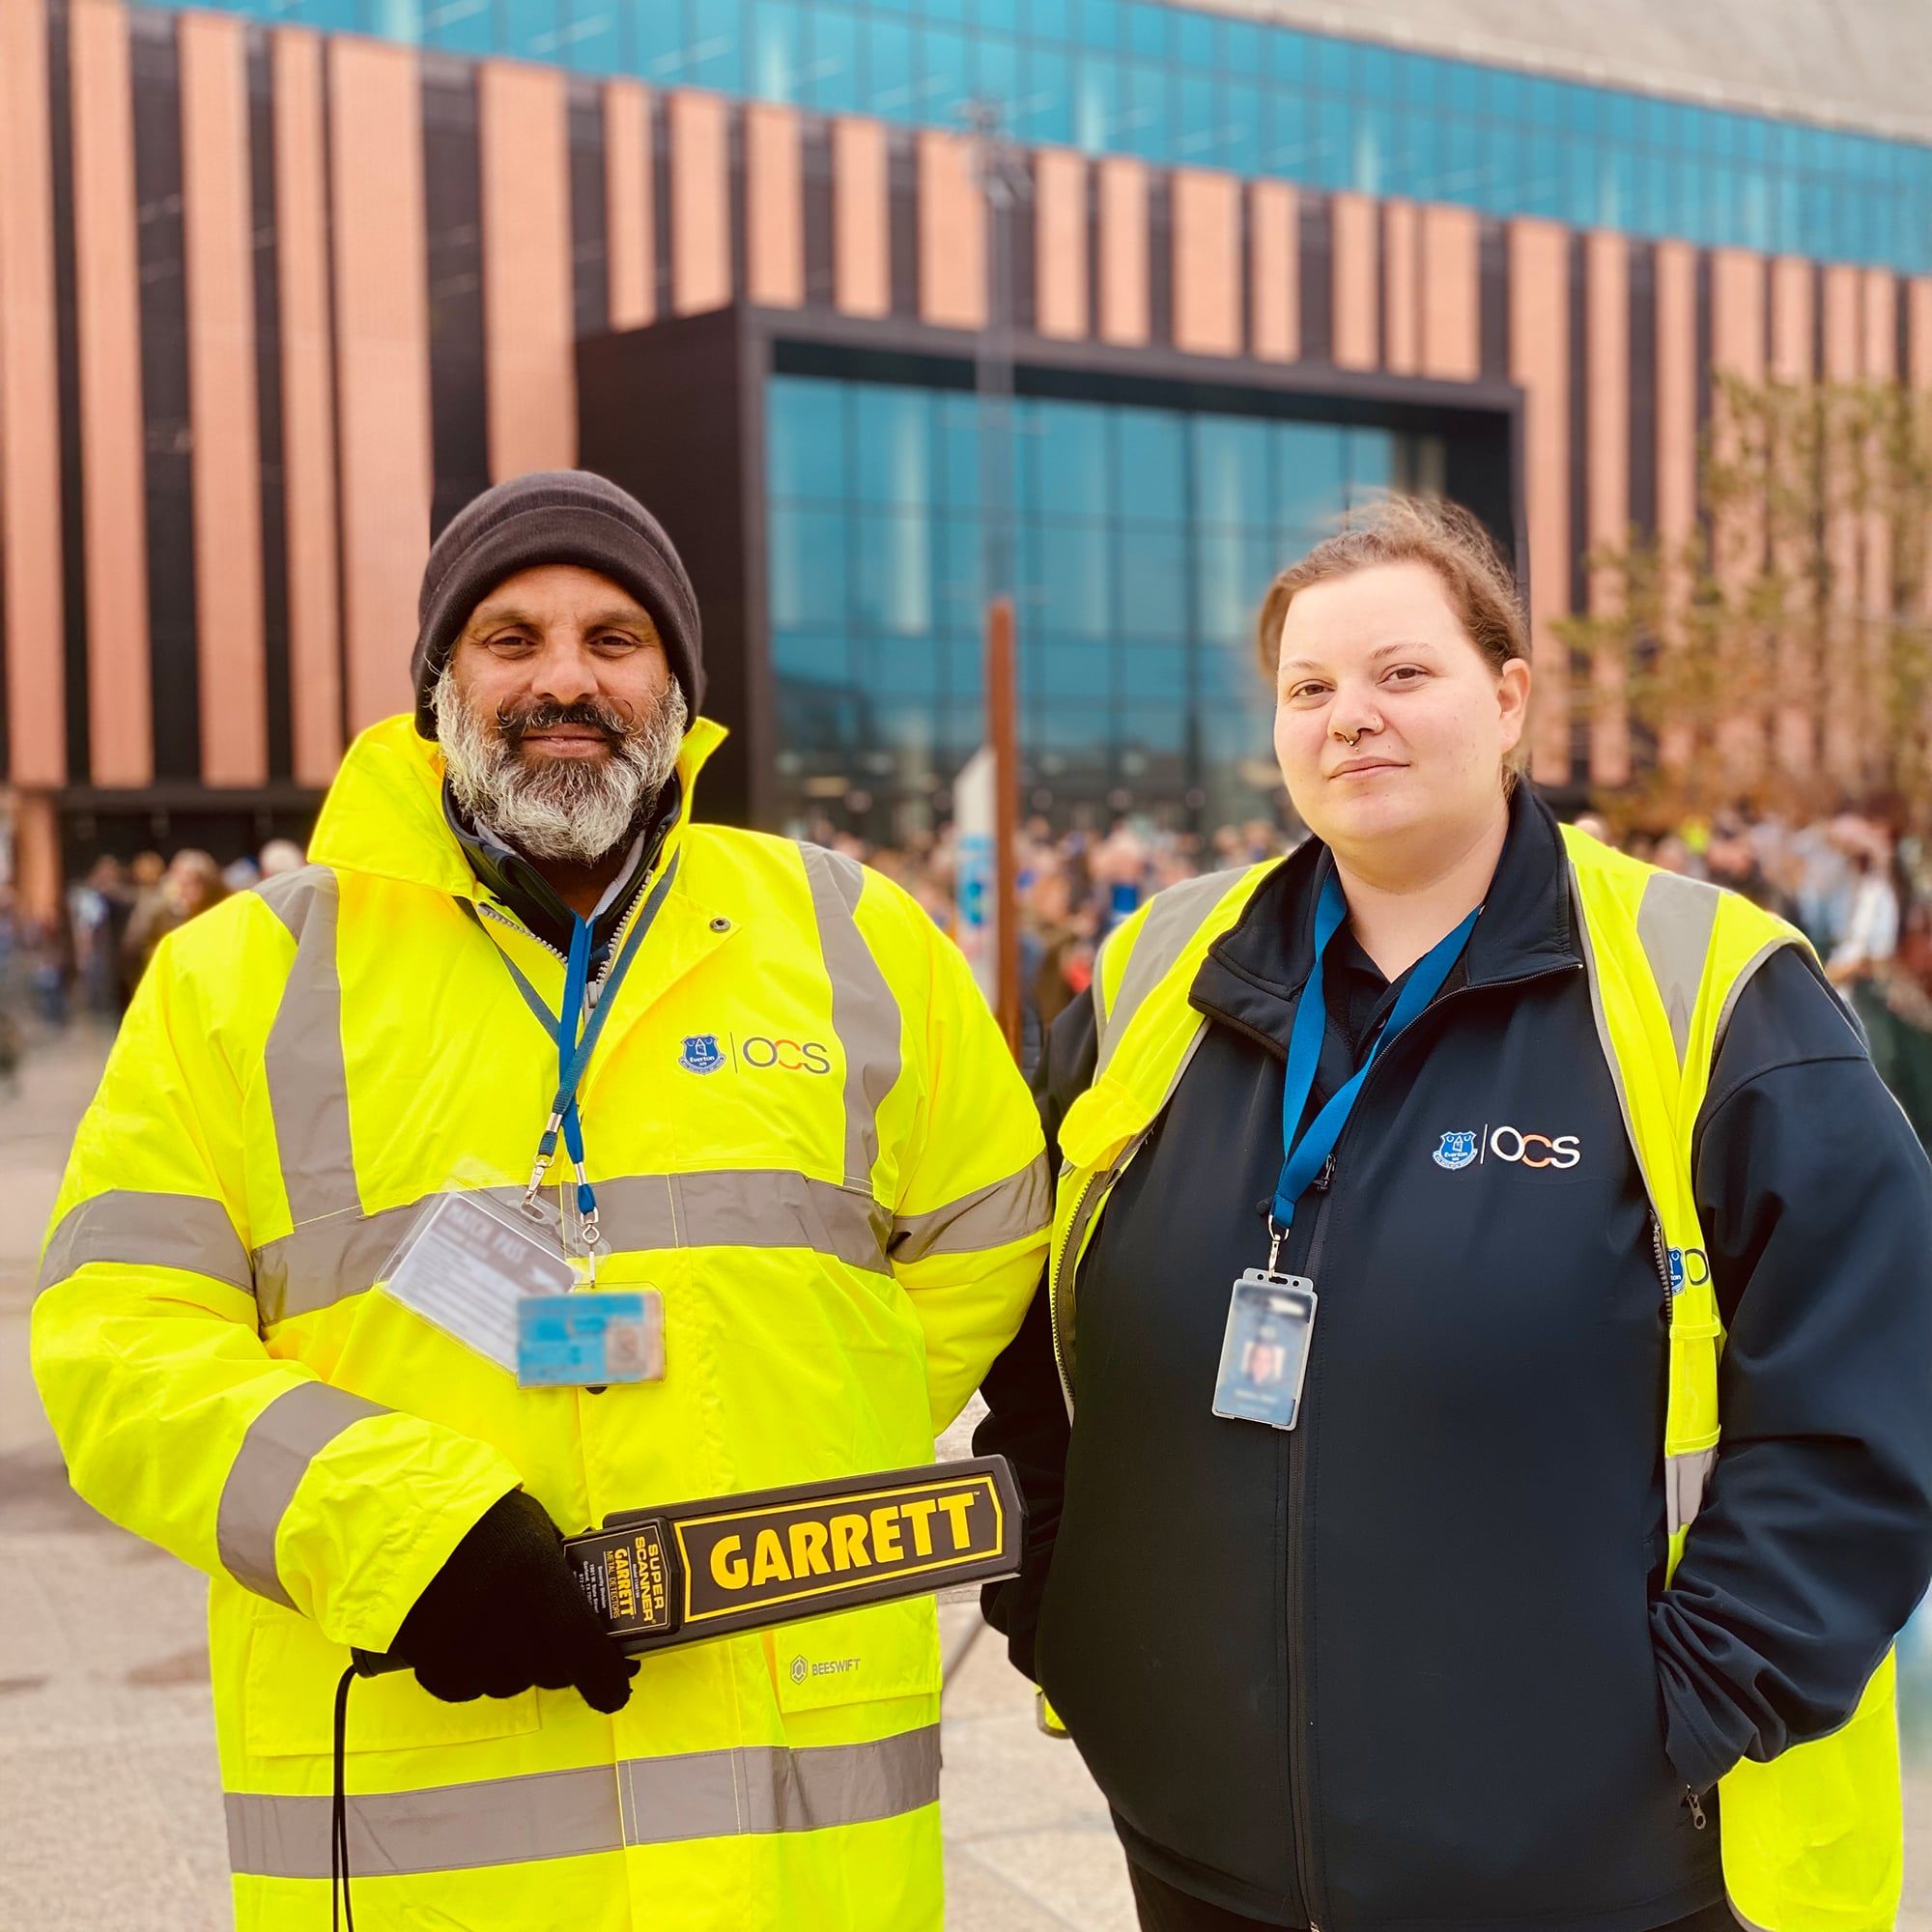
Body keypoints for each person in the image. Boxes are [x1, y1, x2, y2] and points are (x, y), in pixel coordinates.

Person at [33, 469, 1049, 1932]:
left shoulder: (854, 935)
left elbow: (996, 1237)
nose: (564, 677)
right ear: (440, 682)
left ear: (677, 688)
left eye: (615, 638)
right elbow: (112, 1340)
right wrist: (393, 1529)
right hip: (416, 1808)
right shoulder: (237, 979)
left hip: (794, 1828)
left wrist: (796, 1422)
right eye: (510, 638)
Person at [977, 497, 1932, 1932]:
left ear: (1509, 699)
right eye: (1311, 688)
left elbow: (1872, 1386)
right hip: (1193, 1846)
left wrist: (1698, 1704)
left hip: (1589, 1874)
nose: (1350, 716)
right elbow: (1008, 1307)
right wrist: (1060, 1604)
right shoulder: (1153, 972)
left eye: (1401, 673)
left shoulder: (1706, 991)